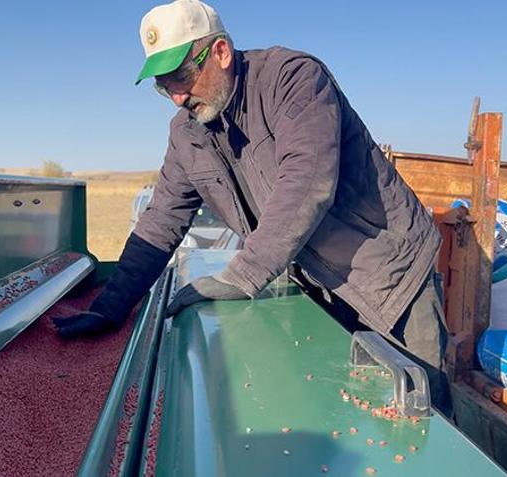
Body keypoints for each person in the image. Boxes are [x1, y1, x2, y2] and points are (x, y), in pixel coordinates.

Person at [53, 0, 449, 410]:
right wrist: (110, 307)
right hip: (319, 287)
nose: (176, 96)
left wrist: (241, 276)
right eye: (163, 84)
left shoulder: (291, 80)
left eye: (180, 75)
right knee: (350, 414)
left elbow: (307, 182)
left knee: (422, 418)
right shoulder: (187, 134)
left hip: (390, 278)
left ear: (220, 52)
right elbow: (161, 220)